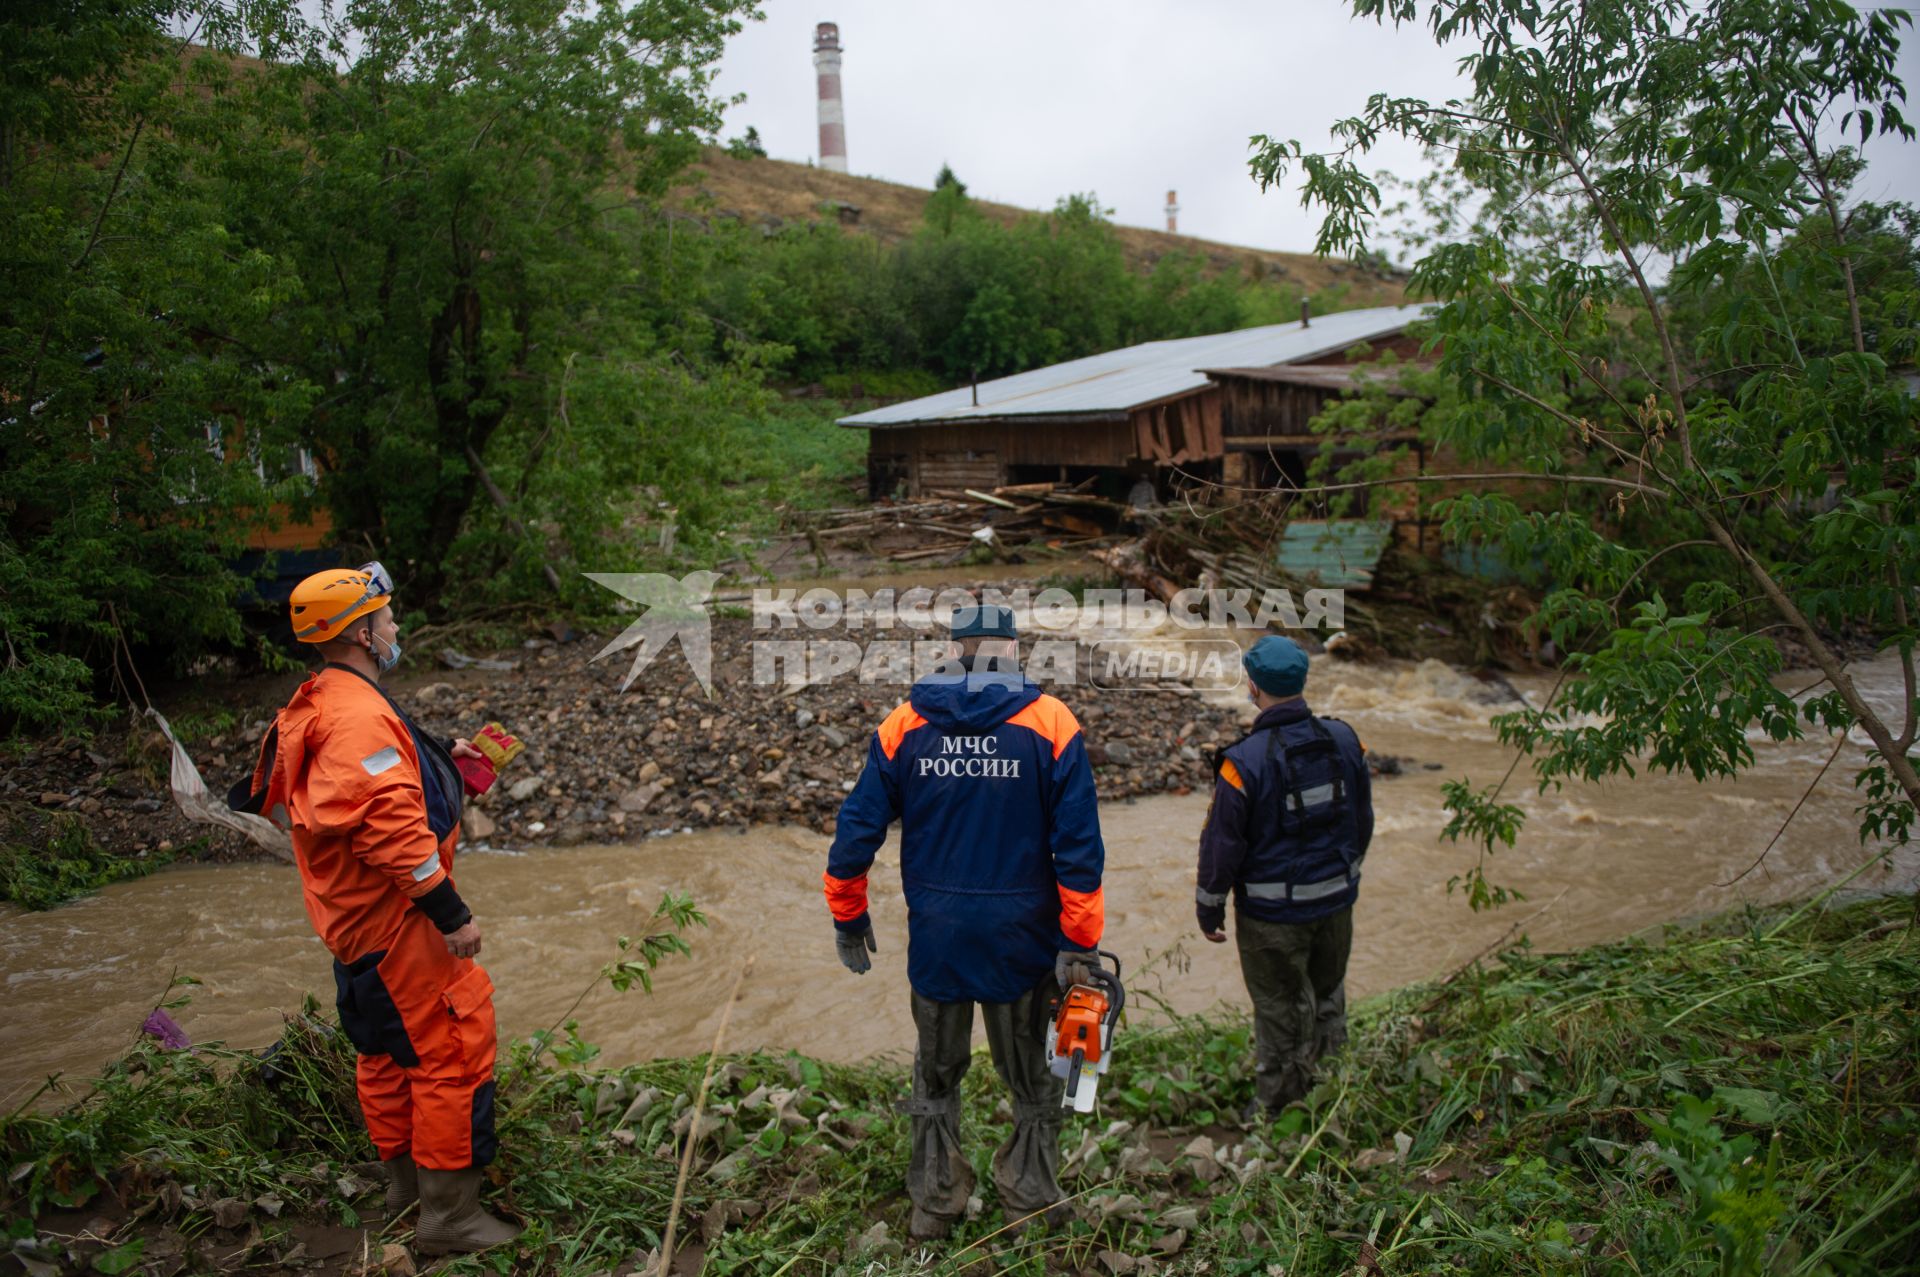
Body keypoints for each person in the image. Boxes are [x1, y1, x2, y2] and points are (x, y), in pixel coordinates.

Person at [230, 563, 520, 1254]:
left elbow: (334, 787)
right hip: (399, 926)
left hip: (352, 923)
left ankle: (403, 1188)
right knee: (450, 1052)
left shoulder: (323, 696)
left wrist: (437, 755)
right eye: (386, 617)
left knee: (386, 1055)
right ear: (362, 631)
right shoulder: (359, 717)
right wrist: (453, 914)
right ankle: (450, 1215)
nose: (395, 627)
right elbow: (392, 832)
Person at [823, 604, 1105, 1241]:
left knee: (936, 1071)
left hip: (939, 937)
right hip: (1022, 941)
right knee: (1033, 1076)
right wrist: (1080, 943)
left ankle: (934, 1205)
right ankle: (1029, 1199)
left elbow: (857, 829)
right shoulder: (1051, 722)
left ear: (955, 649)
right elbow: (1080, 847)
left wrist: (848, 915)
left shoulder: (906, 722)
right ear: (1011, 648)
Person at [1193, 635, 1372, 1118]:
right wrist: (1345, 875)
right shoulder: (1345, 739)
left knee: (1277, 1007)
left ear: (1253, 687)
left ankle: (1277, 1110)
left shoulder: (1242, 763)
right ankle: (1333, 1089)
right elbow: (1363, 819)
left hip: (1272, 917)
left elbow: (1222, 844)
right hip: (1336, 900)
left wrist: (1208, 906)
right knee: (1328, 992)